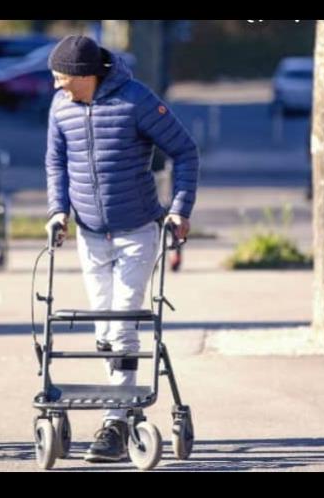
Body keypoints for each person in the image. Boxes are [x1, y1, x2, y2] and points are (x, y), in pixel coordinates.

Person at [43, 35, 199, 462]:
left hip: (137, 231)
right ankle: (119, 405)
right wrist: (59, 209)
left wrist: (180, 209)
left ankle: (117, 419)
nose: (57, 86)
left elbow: (184, 151)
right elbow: (55, 162)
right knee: (103, 330)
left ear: (84, 75)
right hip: (90, 234)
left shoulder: (135, 100)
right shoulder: (61, 108)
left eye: (62, 78)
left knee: (123, 323)